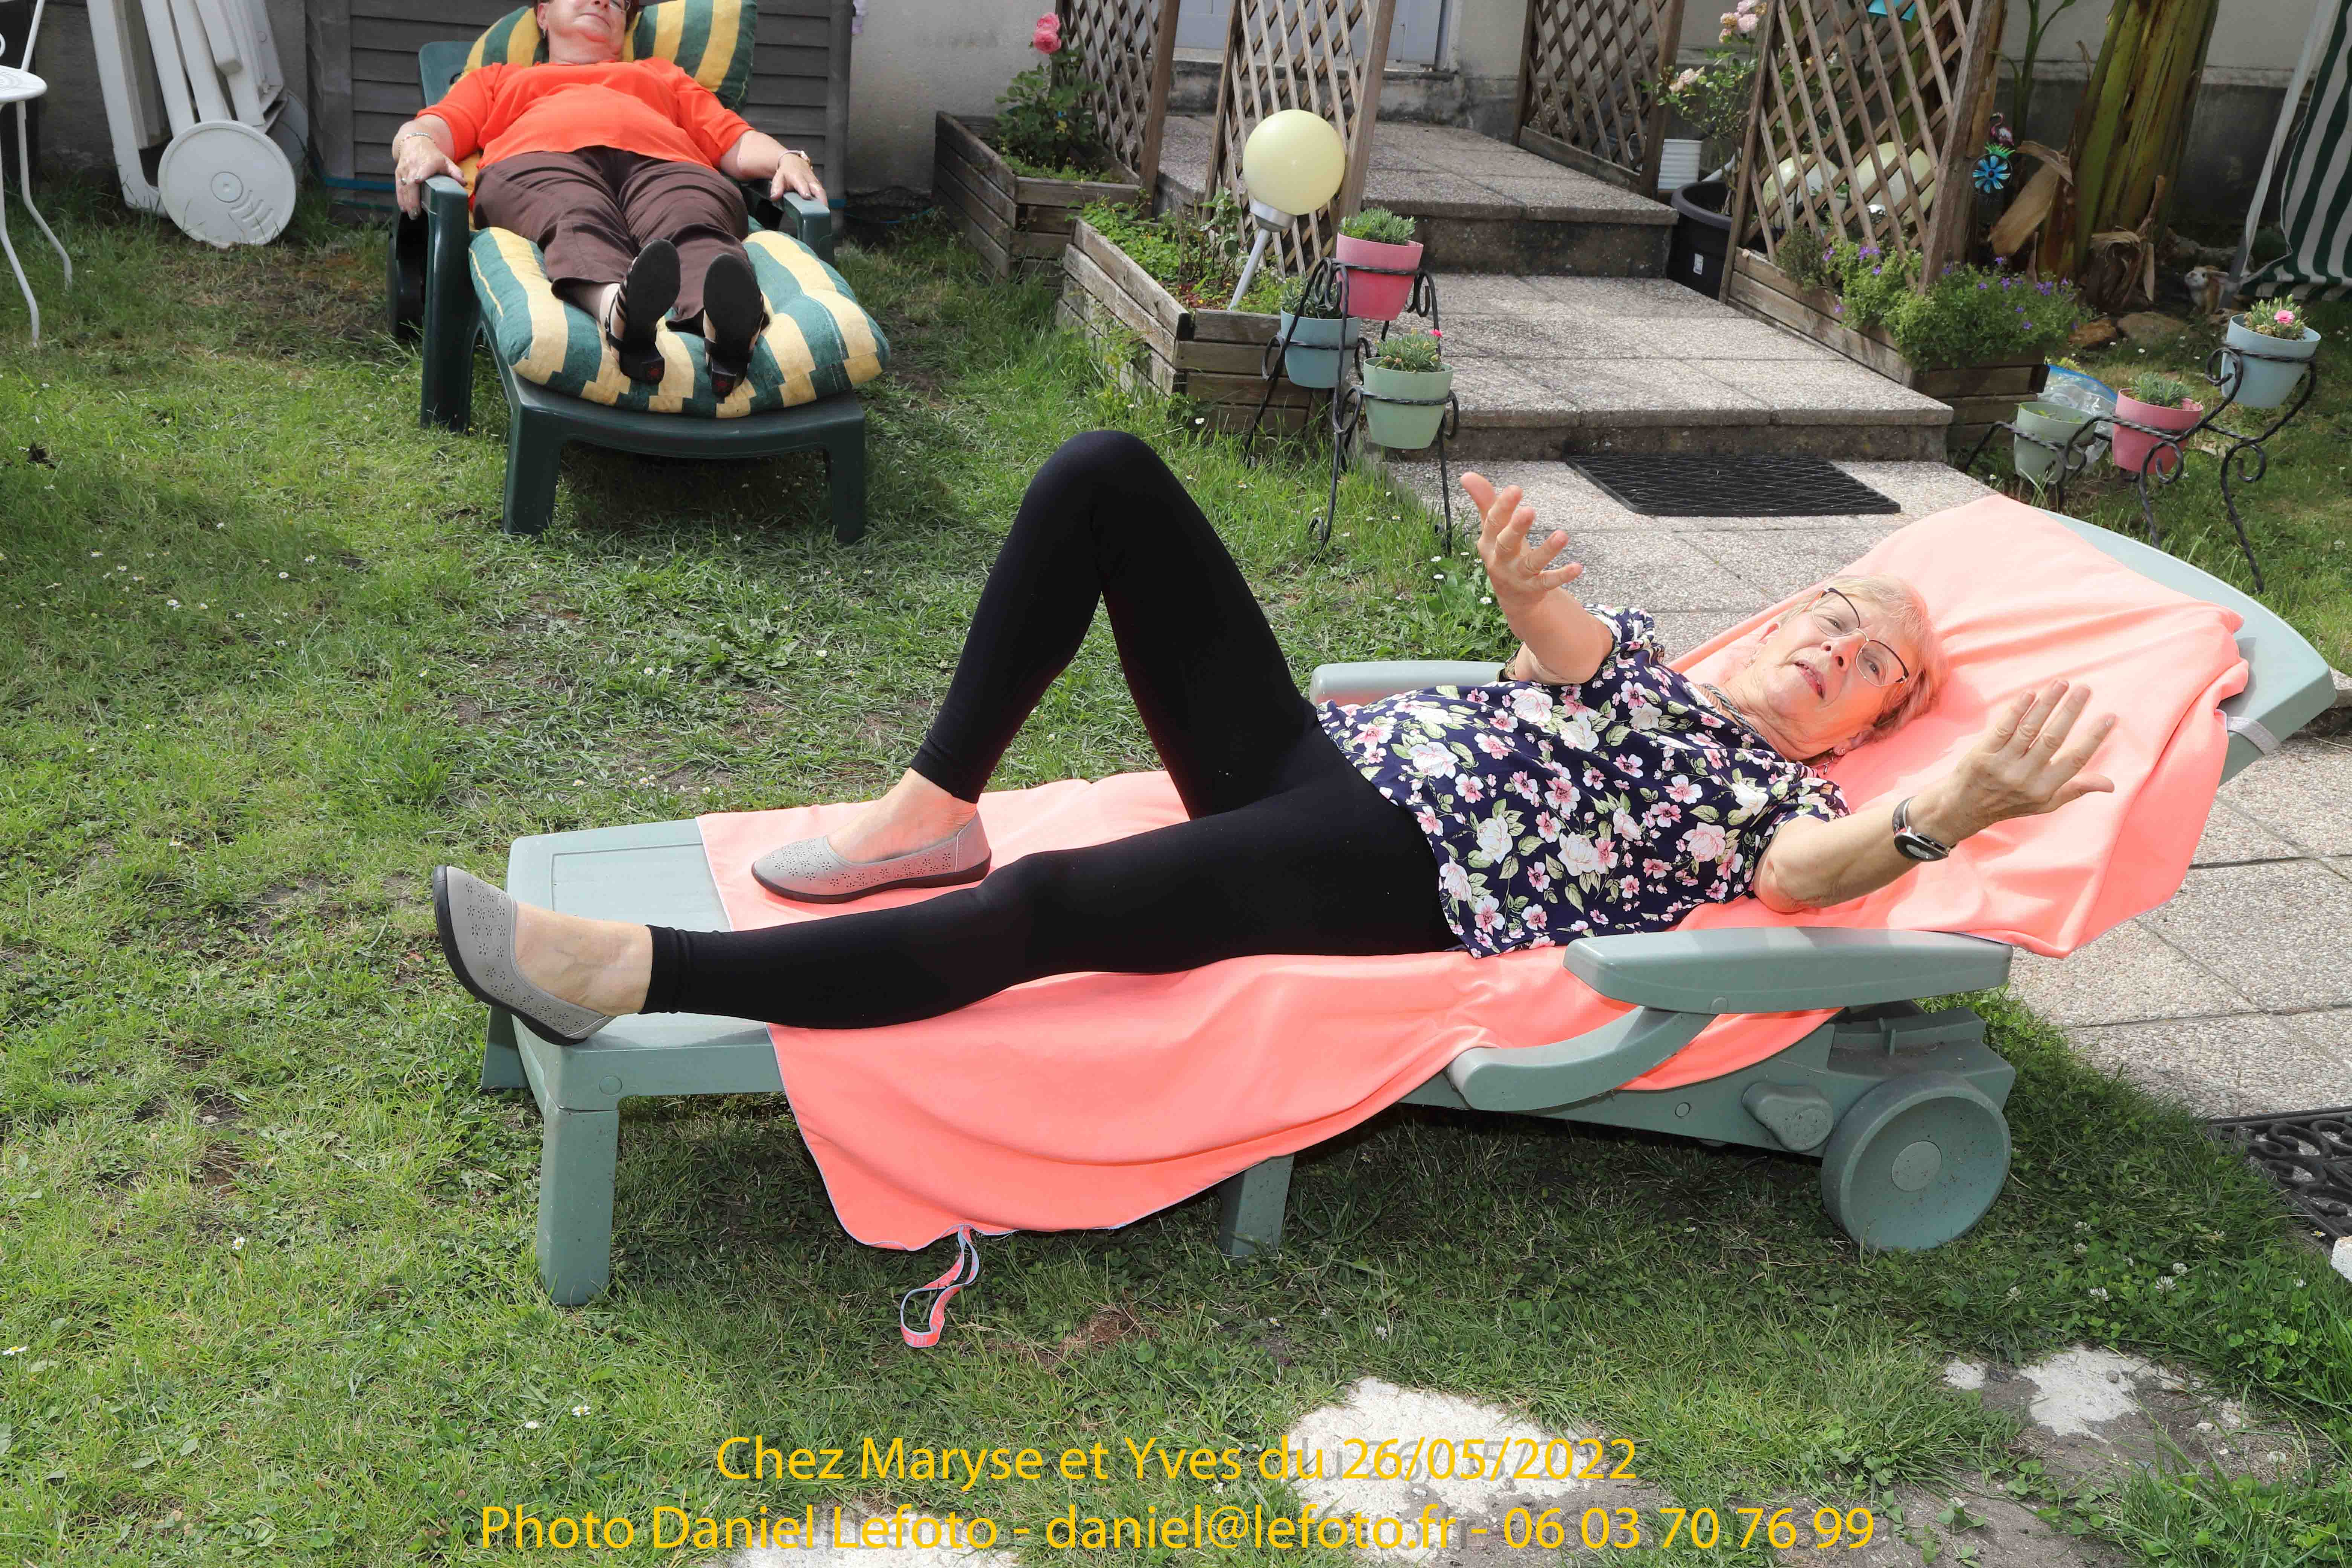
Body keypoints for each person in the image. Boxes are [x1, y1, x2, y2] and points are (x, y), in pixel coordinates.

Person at [432, 432, 2117, 1045]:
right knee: (1104, 474)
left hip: (1397, 868)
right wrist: (1526, 591)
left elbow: (1808, 880)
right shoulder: (1652, 670)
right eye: (1838, 611)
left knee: (1063, 905)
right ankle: (928, 805)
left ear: (1872, 725)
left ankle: (637, 975)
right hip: (1322, 765)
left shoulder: (1762, 788)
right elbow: (1560, 642)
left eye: (1878, 667)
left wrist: (1950, 803)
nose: (1840, 646)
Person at [389, 0, 827, 398]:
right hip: (541, 163)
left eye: (618, 3)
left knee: (693, 217)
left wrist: (786, 158)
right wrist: (415, 145)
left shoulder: (662, 75)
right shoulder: (499, 79)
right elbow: (434, 126)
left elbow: (733, 140)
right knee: (574, 213)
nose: (603, 1)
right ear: (543, 14)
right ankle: (618, 309)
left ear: (623, 29)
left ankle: (724, 325)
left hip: (668, 166)